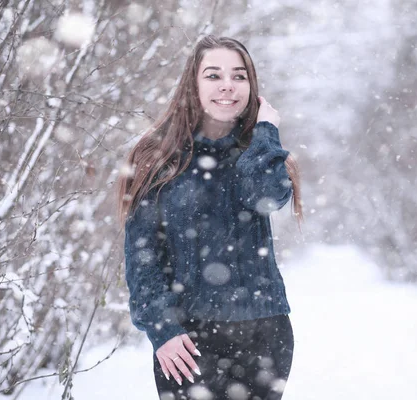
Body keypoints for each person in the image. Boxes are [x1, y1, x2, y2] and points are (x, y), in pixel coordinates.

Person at [115, 35, 304, 400]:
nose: (228, 86)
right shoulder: (159, 158)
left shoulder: (260, 153)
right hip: (188, 341)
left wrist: (265, 130)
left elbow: (265, 195)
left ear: (252, 86)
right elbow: (143, 259)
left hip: (265, 333)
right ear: (193, 84)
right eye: (214, 76)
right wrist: (162, 329)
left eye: (239, 76)